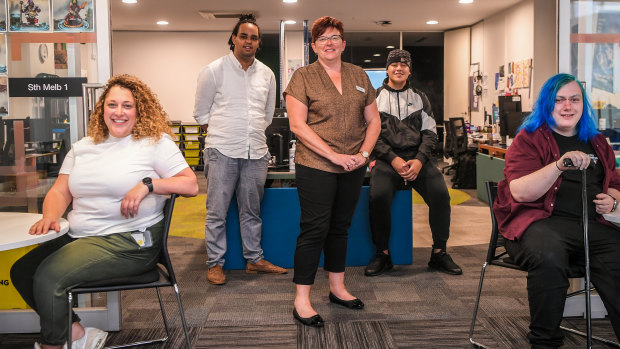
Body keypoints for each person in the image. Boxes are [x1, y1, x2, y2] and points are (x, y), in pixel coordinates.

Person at [10, 74, 199, 349]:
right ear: (102, 109)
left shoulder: (155, 143)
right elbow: (60, 191)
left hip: (129, 241)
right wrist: (50, 216)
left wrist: (148, 184)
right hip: (80, 235)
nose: (119, 112)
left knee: (50, 276)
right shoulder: (84, 146)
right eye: (112, 105)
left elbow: (190, 184)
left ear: (139, 110)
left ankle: (52, 344)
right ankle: (74, 332)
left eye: (127, 106)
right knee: (23, 271)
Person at [493, 73, 620, 348]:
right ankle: (545, 342)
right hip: (538, 225)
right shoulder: (528, 139)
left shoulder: (598, 142)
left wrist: (613, 202)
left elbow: (616, 184)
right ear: (547, 105)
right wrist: (559, 165)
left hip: (591, 225)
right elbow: (520, 192)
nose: (567, 106)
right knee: (549, 256)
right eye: (559, 100)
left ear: (582, 105)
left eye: (574, 99)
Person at [284, 16, 381, 327]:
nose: (329, 42)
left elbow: (374, 120)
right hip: (316, 164)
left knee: (341, 227)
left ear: (343, 43)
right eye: (322, 38)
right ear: (314, 46)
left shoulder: (359, 75)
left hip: (353, 165)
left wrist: (363, 154)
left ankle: (338, 288)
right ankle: (302, 299)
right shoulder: (303, 76)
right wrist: (333, 156)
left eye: (335, 37)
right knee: (315, 229)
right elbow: (297, 125)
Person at [193, 14, 285, 286]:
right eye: (243, 36)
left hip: (256, 152)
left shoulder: (267, 74)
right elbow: (200, 113)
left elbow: (268, 115)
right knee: (217, 212)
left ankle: (254, 259)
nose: (248, 41)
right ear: (233, 38)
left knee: (251, 211)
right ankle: (214, 264)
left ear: (258, 43)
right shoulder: (213, 70)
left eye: (254, 37)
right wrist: (227, 132)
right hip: (221, 150)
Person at [365, 49, 462, 277]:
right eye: (394, 65)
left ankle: (439, 253)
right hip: (388, 159)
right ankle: (383, 254)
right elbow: (372, 135)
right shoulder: (375, 98)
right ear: (387, 69)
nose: (399, 68)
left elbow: (430, 133)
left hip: (419, 158)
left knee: (440, 195)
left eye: (404, 65)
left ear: (409, 69)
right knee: (377, 197)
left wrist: (419, 160)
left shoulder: (421, 97)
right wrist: (393, 159)